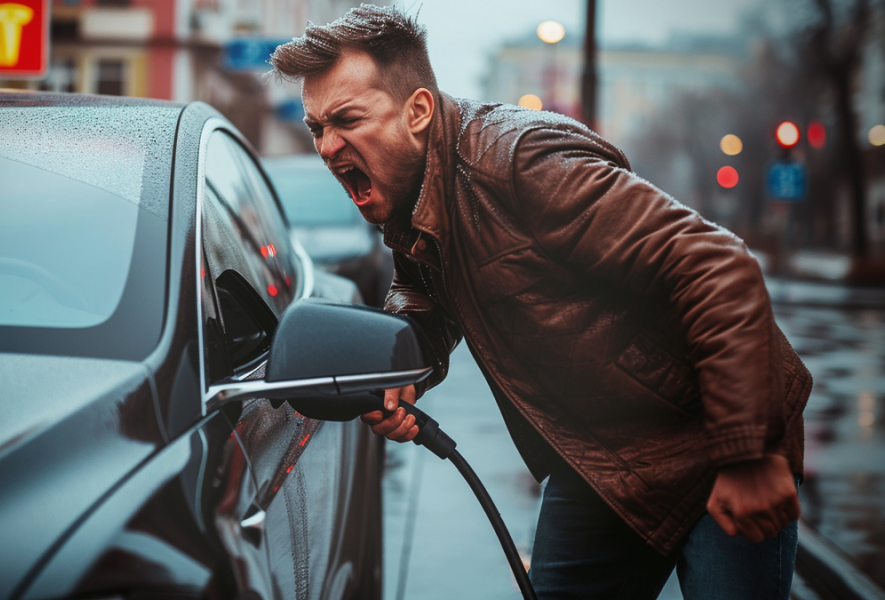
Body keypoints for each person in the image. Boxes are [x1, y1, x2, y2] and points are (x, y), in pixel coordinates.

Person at [269, 6, 811, 599]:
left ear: (418, 111)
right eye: (316, 126)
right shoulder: (409, 192)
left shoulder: (519, 160)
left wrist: (748, 452)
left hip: (708, 439)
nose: (326, 145)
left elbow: (715, 265)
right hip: (596, 461)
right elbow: (424, 294)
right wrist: (397, 363)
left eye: (346, 118)